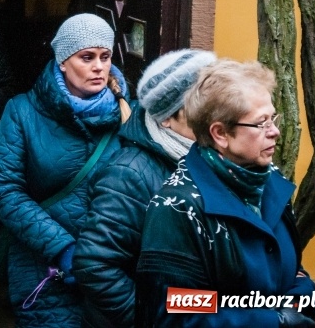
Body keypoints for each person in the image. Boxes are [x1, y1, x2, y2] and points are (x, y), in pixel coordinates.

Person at [136, 60, 315, 327]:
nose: (275, 132)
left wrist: (301, 300)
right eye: (261, 124)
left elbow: (291, 272)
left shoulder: (270, 179)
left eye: (273, 118)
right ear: (220, 134)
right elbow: (176, 311)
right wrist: (272, 321)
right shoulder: (177, 207)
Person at [0, 13, 130, 327]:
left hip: (113, 269)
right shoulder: (22, 112)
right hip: (44, 268)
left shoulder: (128, 115)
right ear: (63, 61)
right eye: (86, 57)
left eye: (105, 57)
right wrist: (62, 247)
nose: (98, 66)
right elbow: (5, 190)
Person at [72, 49, 217, 327]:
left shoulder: (215, 159)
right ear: (166, 117)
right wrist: (151, 320)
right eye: (201, 104)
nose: (215, 112)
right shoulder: (129, 174)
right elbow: (95, 265)